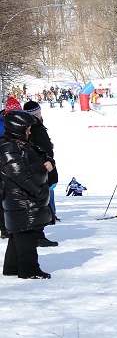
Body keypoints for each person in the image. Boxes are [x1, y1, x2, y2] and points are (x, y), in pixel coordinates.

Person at [0, 110, 53, 278]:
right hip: (20, 196)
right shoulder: (8, 145)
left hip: (23, 195)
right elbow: (18, 173)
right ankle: (29, 269)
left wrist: (49, 162)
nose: (30, 131)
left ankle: (12, 267)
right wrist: (36, 191)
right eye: (27, 128)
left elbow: (42, 155)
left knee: (19, 232)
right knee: (26, 232)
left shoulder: (20, 142)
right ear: (18, 127)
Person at [23, 102, 58, 246]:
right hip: (40, 169)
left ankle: (37, 233)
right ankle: (38, 235)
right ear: (36, 113)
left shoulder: (26, 127)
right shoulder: (37, 128)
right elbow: (45, 150)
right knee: (40, 202)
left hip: (33, 169)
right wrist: (49, 156)